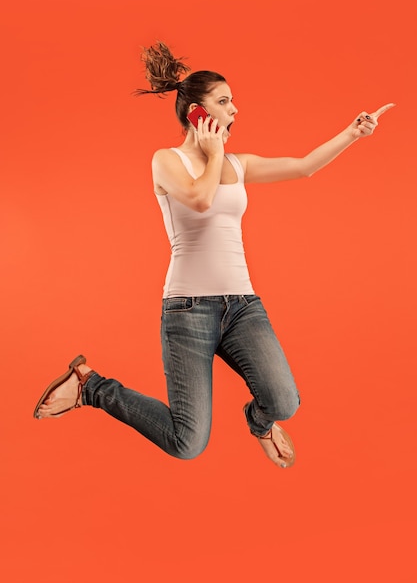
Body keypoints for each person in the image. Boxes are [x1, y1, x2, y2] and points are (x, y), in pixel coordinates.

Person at [34, 42, 394, 469]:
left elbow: (304, 166)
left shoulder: (240, 165)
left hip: (242, 307)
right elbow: (201, 200)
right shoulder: (166, 161)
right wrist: (215, 151)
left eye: (233, 101)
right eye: (224, 102)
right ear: (197, 114)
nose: (235, 110)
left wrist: (353, 132)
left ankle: (259, 423)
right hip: (188, 312)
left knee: (283, 401)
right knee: (186, 443)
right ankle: (91, 387)